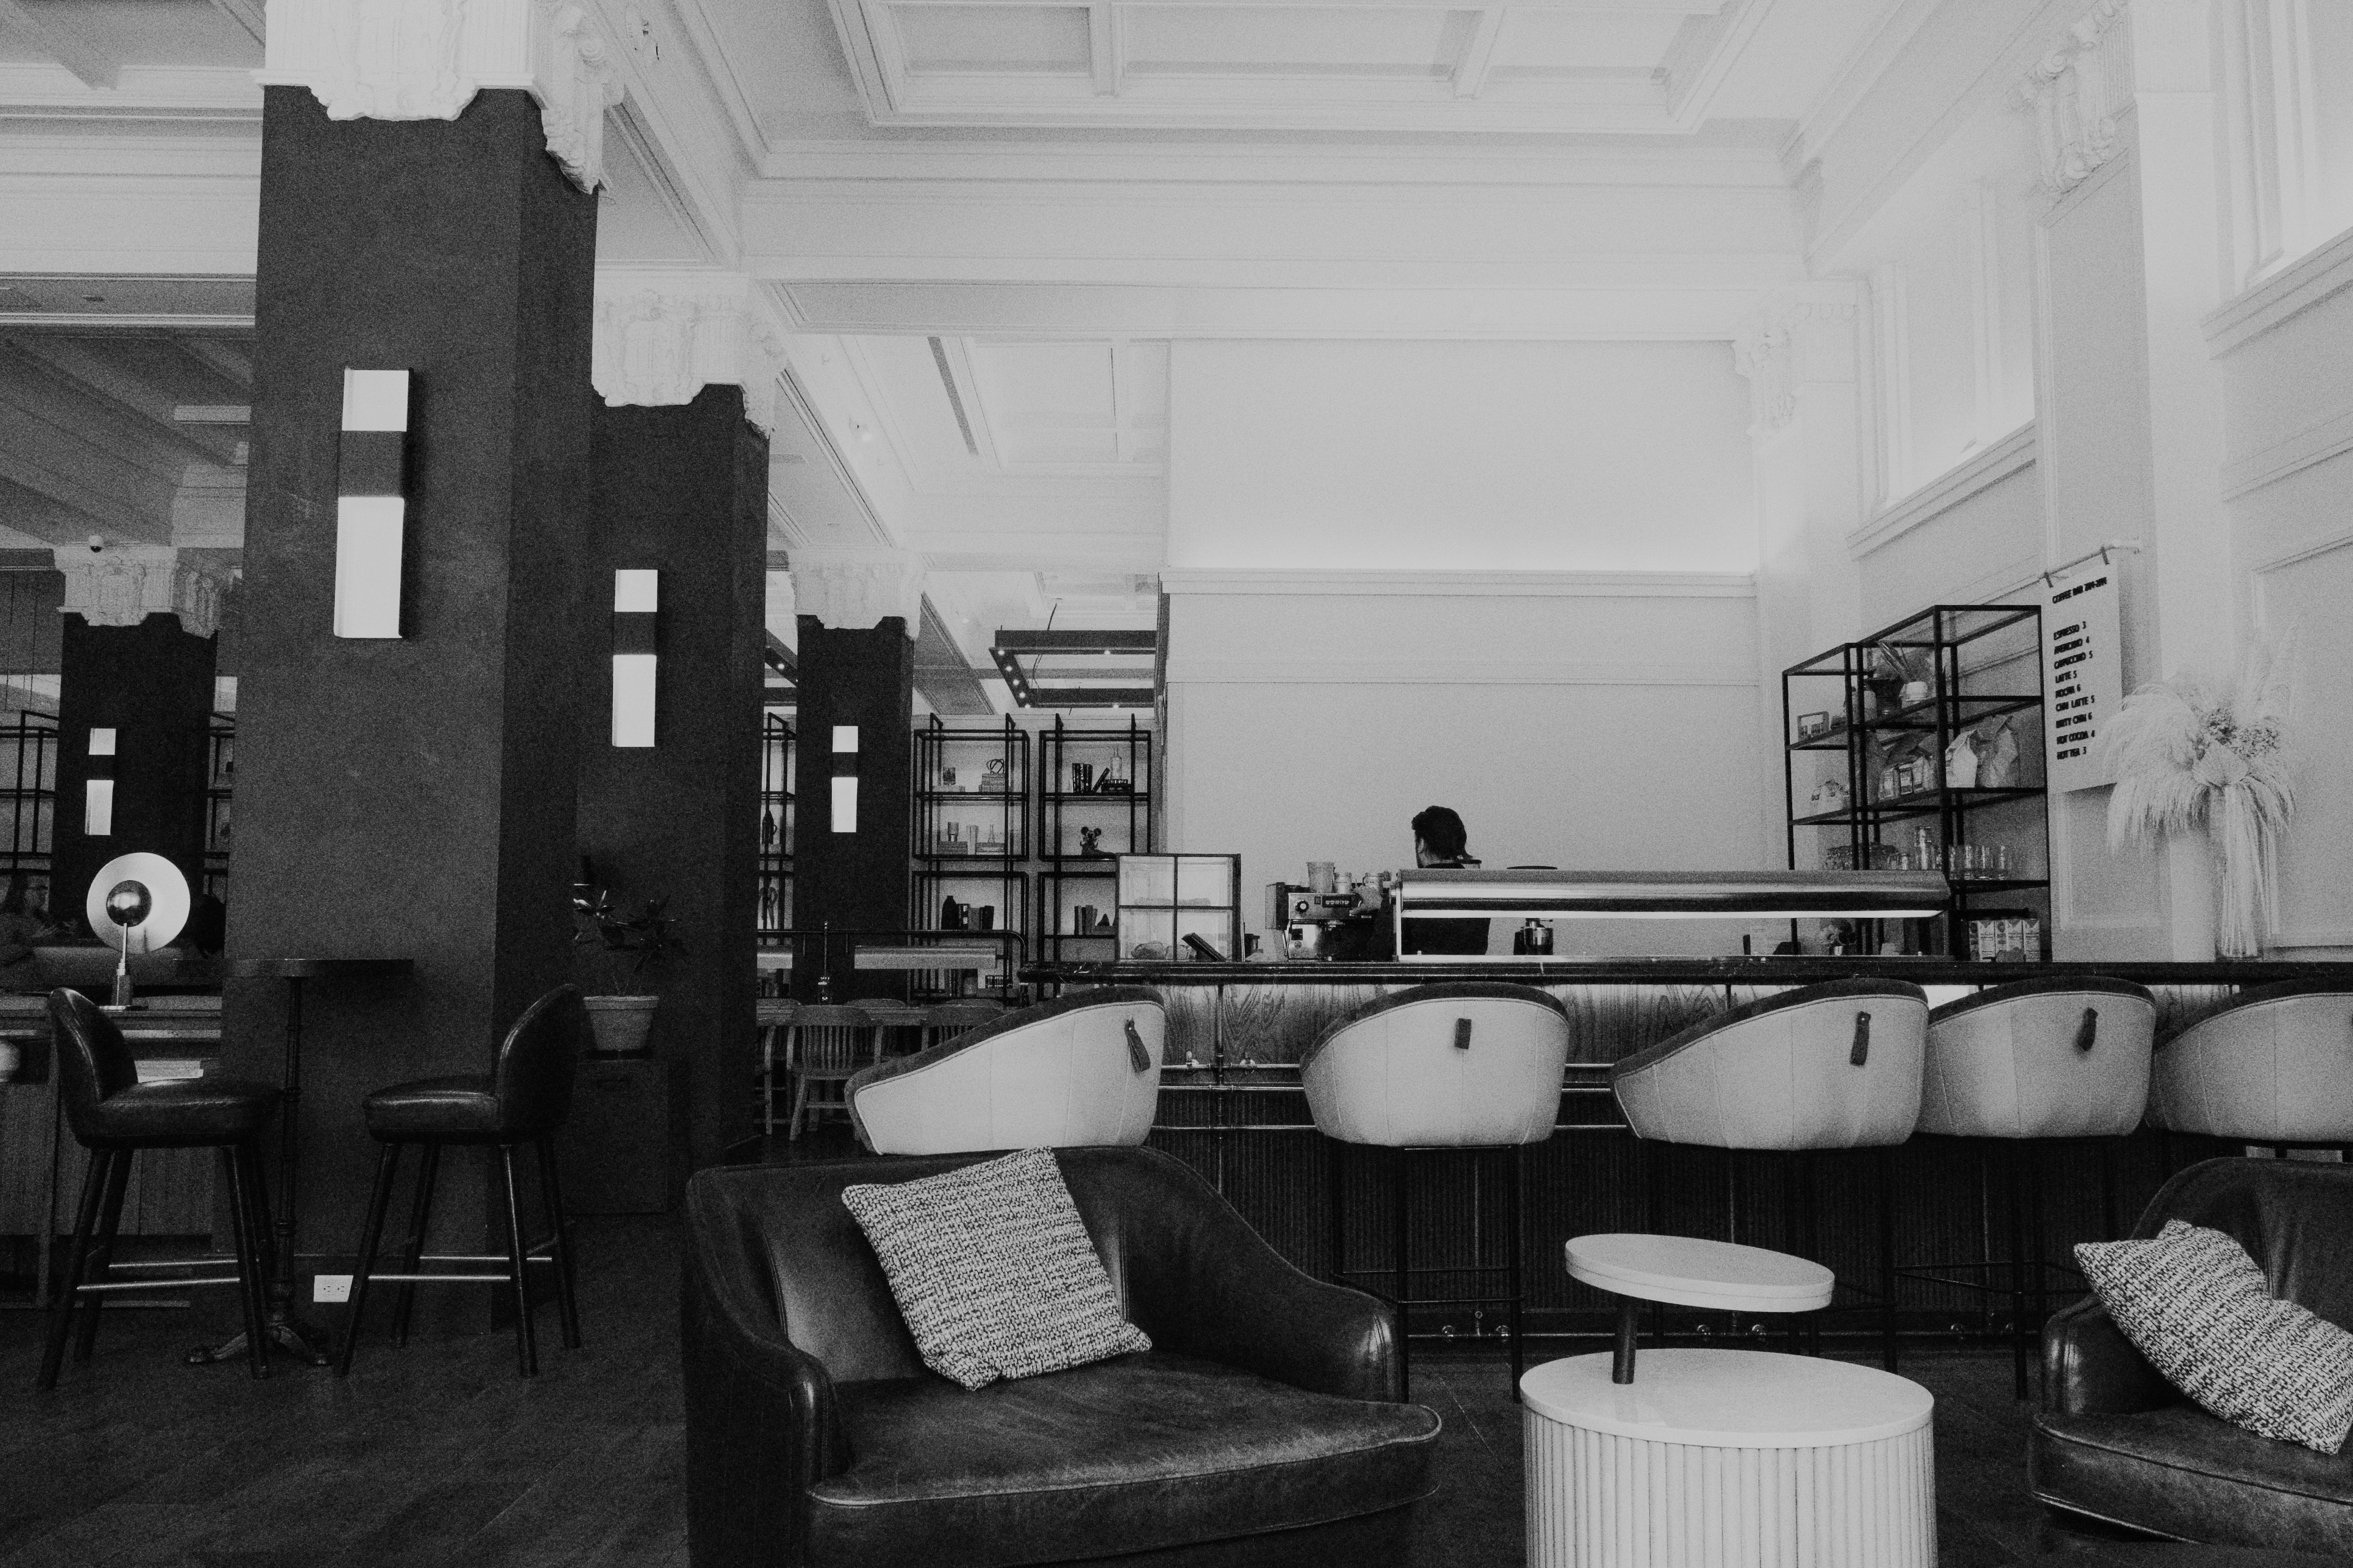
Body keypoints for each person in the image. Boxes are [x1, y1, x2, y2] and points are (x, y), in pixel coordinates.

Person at [1399, 805, 1490, 957]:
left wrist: (1384, 908)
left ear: (1421, 844)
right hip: (1469, 978)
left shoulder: (1410, 888)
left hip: (1423, 979)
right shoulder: (1480, 887)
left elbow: (1379, 953)